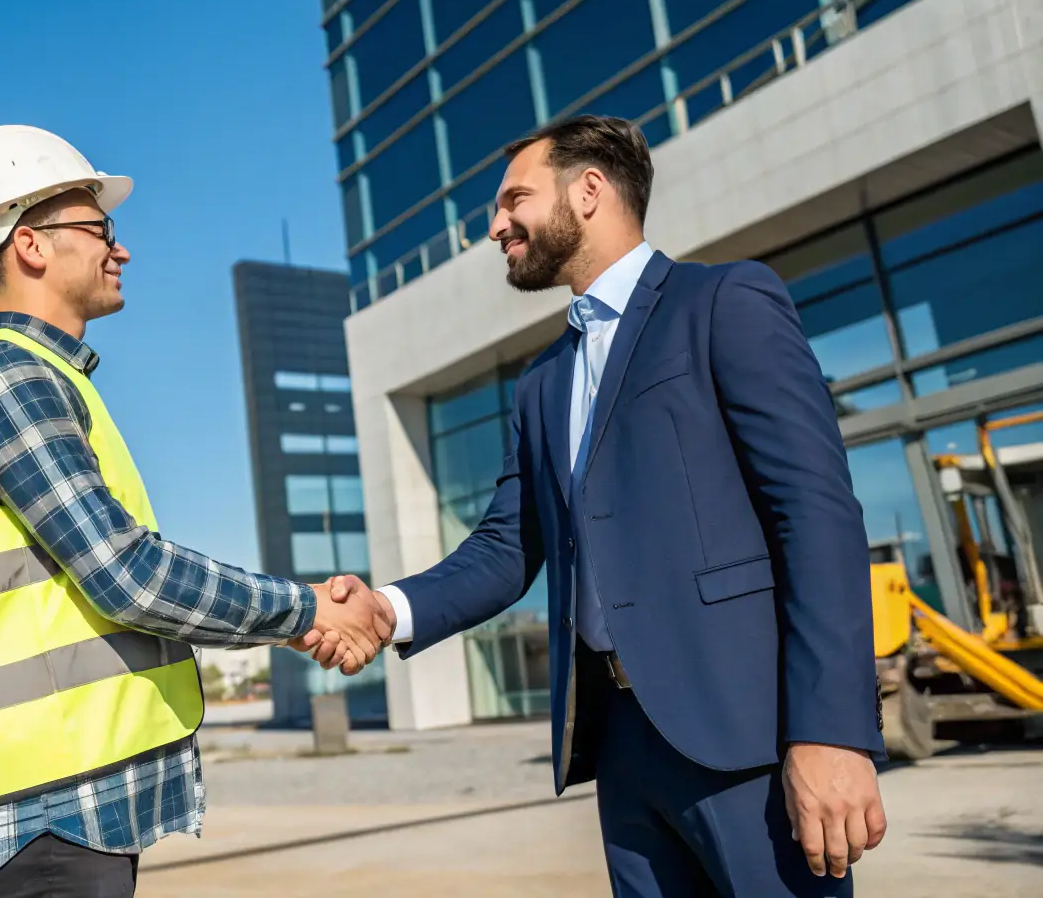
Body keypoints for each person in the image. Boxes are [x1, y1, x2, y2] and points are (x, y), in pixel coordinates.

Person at [302, 115, 888, 895]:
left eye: (513, 200)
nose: (494, 227)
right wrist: (386, 609)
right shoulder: (543, 381)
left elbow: (814, 514)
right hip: (618, 745)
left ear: (588, 190)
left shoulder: (721, 302)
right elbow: (507, 546)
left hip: (745, 734)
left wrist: (829, 732)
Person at [0, 124, 390, 898]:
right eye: (99, 229)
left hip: (52, 800)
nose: (120, 250)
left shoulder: (47, 379)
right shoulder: (6, 380)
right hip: (37, 810)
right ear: (30, 246)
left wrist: (291, 622)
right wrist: (305, 610)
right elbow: (129, 576)